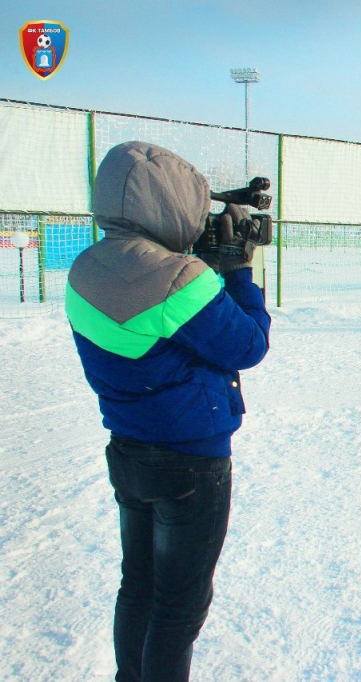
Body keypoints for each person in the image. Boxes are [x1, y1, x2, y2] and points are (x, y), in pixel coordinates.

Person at [65, 141, 271, 681]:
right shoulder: (181, 279)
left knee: (138, 589)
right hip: (191, 463)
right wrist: (239, 270)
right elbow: (247, 345)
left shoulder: (84, 270)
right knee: (178, 611)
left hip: (128, 452)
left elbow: (154, 334)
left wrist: (201, 263)